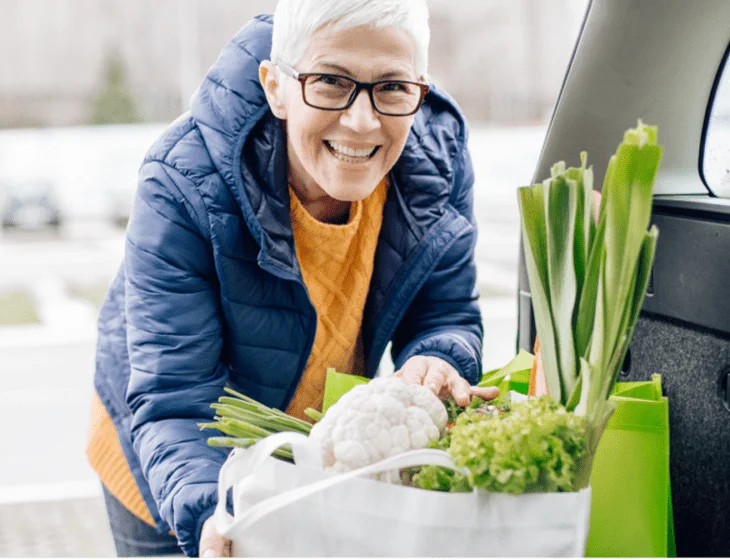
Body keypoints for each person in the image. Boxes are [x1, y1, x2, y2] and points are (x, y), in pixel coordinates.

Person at [85, 0, 498, 557]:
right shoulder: (182, 182)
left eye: (393, 88)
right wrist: (215, 515)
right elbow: (176, 397)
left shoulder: (436, 158)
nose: (362, 120)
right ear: (275, 86)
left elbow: (444, 311)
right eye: (330, 82)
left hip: (302, 452)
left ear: (418, 88)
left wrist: (440, 356)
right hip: (171, 454)